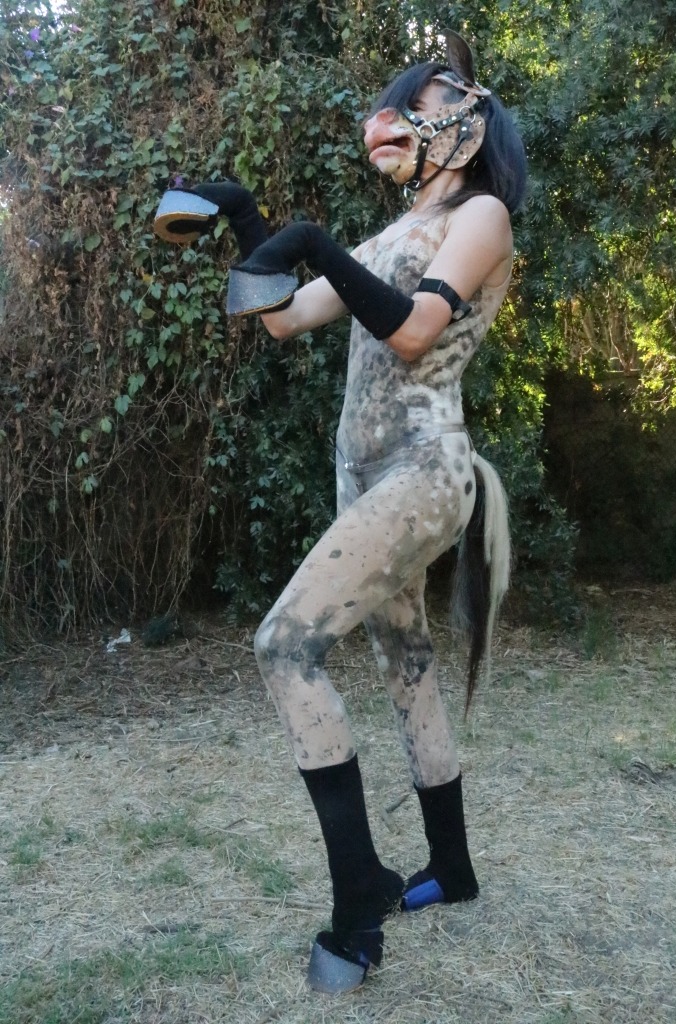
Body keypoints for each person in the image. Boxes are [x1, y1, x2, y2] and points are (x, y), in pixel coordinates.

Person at [154, 29, 526, 994]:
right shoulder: (394, 233)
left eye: (422, 98)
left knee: (283, 647)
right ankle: (451, 867)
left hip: (424, 470)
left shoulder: (482, 214)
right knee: (407, 668)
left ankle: (359, 901)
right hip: (360, 476)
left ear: (466, 117)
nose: (396, 115)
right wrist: (247, 217)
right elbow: (284, 318)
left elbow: (412, 332)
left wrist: (312, 239)